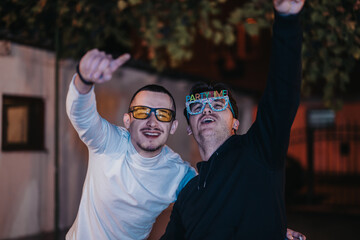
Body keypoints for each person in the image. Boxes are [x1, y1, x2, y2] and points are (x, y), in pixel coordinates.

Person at [161, 0, 306, 239]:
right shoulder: (187, 195)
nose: (207, 110)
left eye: (218, 105)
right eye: (197, 106)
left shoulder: (259, 153)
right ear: (189, 127)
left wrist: (287, 21)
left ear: (235, 123)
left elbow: (281, 95)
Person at [65, 49, 197, 240]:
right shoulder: (109, 143)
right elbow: (82, 116)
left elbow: (211, 199)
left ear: (173, 126)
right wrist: (84, 80)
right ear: (127, 121)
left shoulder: (179, 174)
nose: (152, 122)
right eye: (143, 111)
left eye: (162, 115)